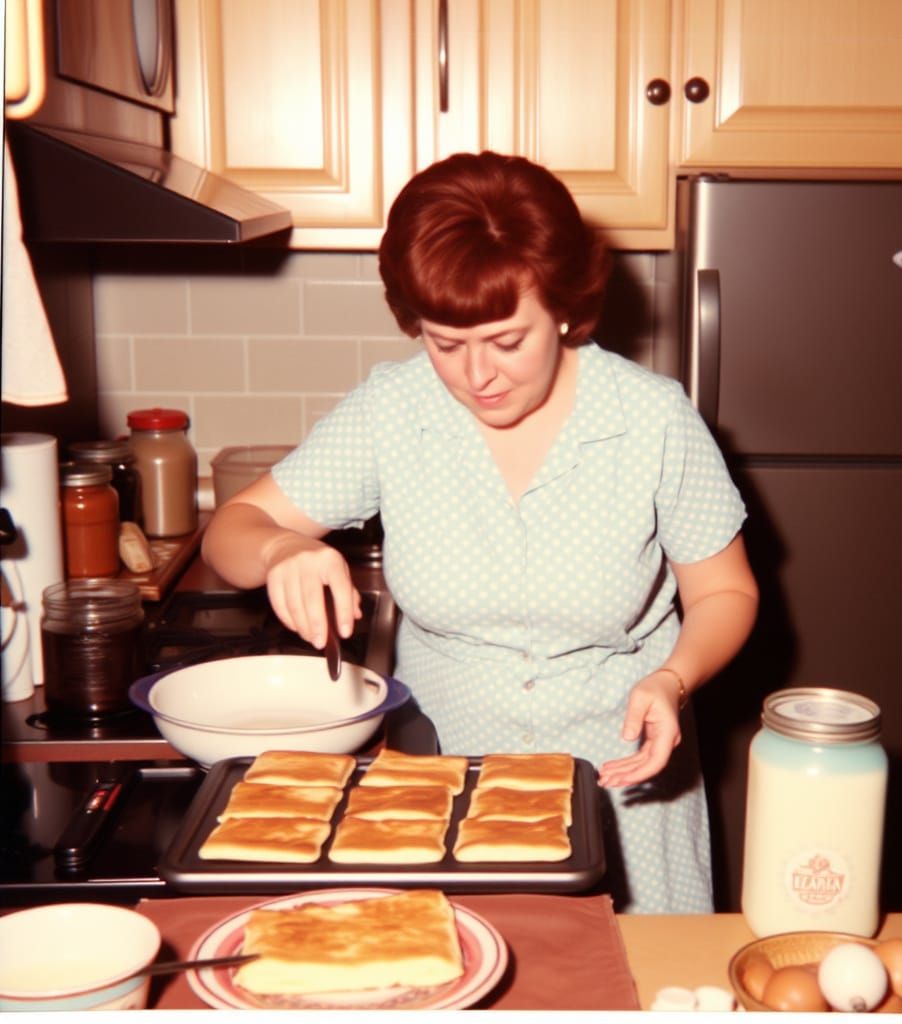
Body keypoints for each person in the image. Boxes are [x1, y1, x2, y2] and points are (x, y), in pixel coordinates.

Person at [201, 151, 759, 913]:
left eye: (507, 341)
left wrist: (673, 678)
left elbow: (725, 590)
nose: (477, 377)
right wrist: (281, 547)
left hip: (623, 786)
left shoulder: (652, 419)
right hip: (442, 792)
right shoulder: (394, 411)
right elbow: (232, 529)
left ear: (563, 308)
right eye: (445, 343)